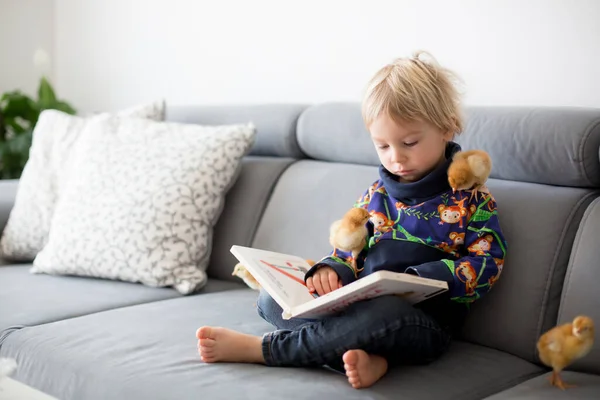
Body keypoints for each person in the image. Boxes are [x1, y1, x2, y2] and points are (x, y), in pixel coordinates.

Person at [196, 51, 507, 389]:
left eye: (409, 143)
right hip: (360, 311)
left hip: (421, 322)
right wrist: (332, 270)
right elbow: (349, 248)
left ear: (447, 127)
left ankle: (266, 350)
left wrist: (420, 279)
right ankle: (373, 359)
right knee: (272, 301)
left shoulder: (473, 201)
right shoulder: (375, 195)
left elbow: (487, 262)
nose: (396, 158)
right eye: (383, 146)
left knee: (381, 315)